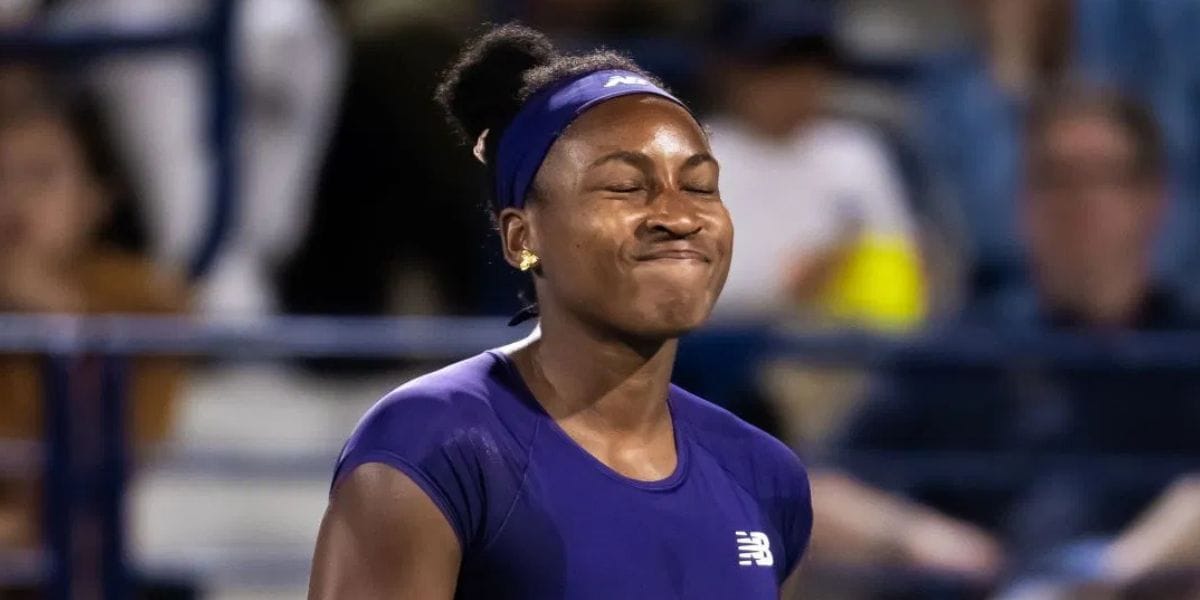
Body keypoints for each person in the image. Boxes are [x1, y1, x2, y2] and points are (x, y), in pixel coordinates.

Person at [308, 24, 812, 598]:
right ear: (522, 236)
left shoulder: (767, 475)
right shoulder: (435, 442)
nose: (678, 216)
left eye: (700, 187)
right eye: (625, 186)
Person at [814, 85, 1200, 597]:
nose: (1077, 203)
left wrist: (1115, 570)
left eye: (1101, 178)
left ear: (1153, 199)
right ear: (1023, 202)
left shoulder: (1185, 350)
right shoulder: (965, 348)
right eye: (1054, 180)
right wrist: (924, 541)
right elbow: (814, 493)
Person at [0, 82, 188, 547]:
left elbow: (113, 467)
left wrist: (65, 322)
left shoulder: (147, 306)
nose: (14, 198)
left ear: (97, 196)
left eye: (40, 175)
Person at [706, 0, 926, 331]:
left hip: (853, 351)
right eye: (778, 66)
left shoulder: (855, 150)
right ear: (730, 71)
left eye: (811, 65)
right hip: (733, 360)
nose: (799, 83)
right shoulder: (694, 153)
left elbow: (902, 273)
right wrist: (789, 291)